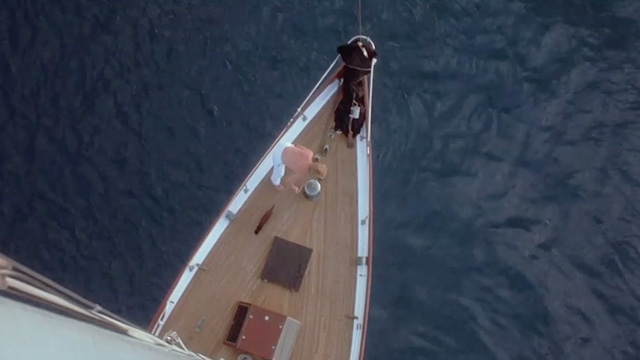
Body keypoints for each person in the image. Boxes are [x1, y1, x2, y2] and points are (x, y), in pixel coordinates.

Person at [334, 40, 378, 148]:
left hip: (354, 91)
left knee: (352, 95)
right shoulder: (365, 66)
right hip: (355, 87)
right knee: (353, 95)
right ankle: (343, 129)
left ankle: (343, 128)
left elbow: (340, 49)